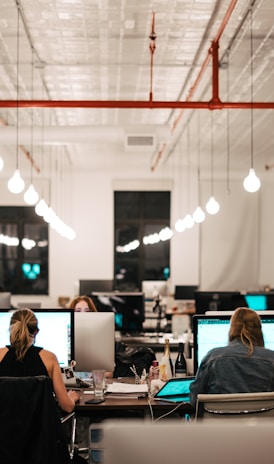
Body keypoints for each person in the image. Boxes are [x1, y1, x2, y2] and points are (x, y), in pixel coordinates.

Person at [190, 307, 274, 408]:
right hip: (264, 423)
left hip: (220, 423)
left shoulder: (213, 357)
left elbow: (194, 400)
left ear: (232, 329)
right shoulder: (271, 359)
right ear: (259, 331)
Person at [0, 308, 79, 413]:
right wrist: (71, 398)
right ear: (36, 332)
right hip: (39, 428)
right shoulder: (49, 358)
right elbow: (67, 407)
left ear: (11, 330)